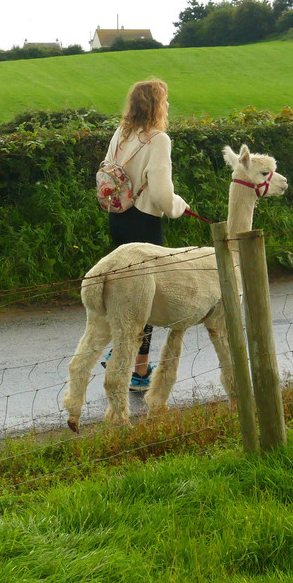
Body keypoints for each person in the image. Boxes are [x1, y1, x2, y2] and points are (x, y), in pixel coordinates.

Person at [104, 78, 189, 392]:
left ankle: (121, 351)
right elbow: (161, 192)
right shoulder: (158, 139)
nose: (167, 105)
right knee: (147, 296)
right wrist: (180, 207)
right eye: (165, 100)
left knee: (125, 291)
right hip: (144, 221)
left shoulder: (120, 133)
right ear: (155, 105)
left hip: (117, 216)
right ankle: (138, 369)